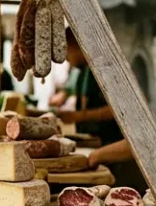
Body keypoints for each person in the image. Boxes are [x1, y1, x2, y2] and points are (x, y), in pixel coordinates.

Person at [52, 30, 146, 190]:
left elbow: (122, 109)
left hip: (117, 156)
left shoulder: (108, 70)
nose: (65, 59)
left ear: (77, 45)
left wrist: (80, 116)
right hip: (99, 148)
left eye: (66, 52)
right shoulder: (82, 72)